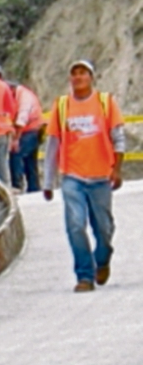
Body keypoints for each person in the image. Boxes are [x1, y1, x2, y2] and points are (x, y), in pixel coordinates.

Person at [42, 60, 124, 292]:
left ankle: (103, 257)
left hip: (101, 177)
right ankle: (84, 276)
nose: (78, 77)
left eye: (83, 73)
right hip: (72, 177)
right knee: (75, 224)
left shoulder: (105, 103)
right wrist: (48, 182)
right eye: (74, 74)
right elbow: (52, 146)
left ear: (91, 77)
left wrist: (117, 169)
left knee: (104, 229)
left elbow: (118, 138)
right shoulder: (62, 106)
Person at [10, 80, 45, 193]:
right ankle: (34, 188)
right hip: (31, 130)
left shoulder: (25, 97)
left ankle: (17, 186)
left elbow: (22, 119)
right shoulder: (19, 95)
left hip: (31, 130)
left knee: (16, 154)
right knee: (30, 161)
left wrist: (15, 140)